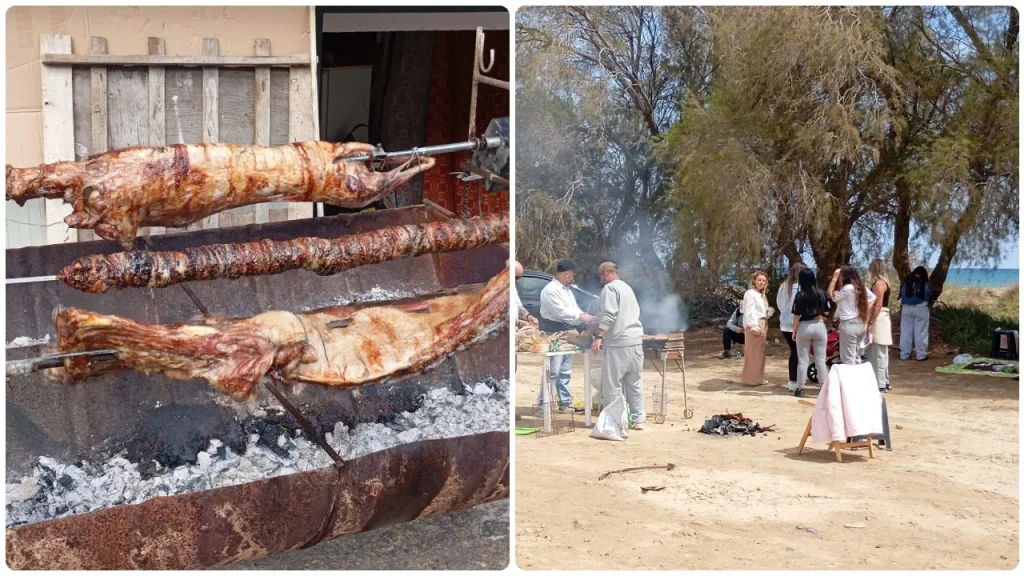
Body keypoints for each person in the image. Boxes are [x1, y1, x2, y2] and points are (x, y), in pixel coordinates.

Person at [590, 261, 646, 430]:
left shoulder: (609, 288)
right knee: (634, 383)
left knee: (613, 384)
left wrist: (599, 336)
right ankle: (638, 420)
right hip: (635, 341)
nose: (600, 280)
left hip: (618, 344)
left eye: (601, 276)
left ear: (606, 273)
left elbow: (609, 314)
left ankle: (614, 421)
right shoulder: (627, 288)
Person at [539, 259, 596, 413]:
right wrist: (581, 317)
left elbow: (573, 308)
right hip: (554, 333)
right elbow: (561, 313)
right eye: (572, 274)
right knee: (553, 371)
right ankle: (543, 406)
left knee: (565, 371)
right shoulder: (550, 290)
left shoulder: (567, 290)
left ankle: (564, 403)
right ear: (566, 273)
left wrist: (583, 316)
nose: (573, 277)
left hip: (568, 333)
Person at [791, 268, 832, 397]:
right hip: (819, 326)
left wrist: (794, 330)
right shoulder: (821, 293)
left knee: (803, 359)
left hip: (804, 326)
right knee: (820, 359)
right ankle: (823, 387)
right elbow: (827, 312)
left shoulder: (800, 294)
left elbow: (797, 315)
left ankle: (800, 388)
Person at [828, 265, 876, 365]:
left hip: (848, 324)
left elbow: (830, 295)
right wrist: (864, 310)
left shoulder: (847, 288)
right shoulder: (860, 287)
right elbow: (873, 297)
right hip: (860, 323)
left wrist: (834, 278)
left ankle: (850, 379)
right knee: (857, 355)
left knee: (848, 357)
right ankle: (857, 378)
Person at [777, 262, 806, 392]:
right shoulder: (801, 287)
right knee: (798, 353)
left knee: (794, 351)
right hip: (797, 323)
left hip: (784, 324)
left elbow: (779, 304)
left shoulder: (783, 286)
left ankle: (793, 380)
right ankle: (796, 380)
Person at [741, 270, 772, 385]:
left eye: (764, 280)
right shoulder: (750, 293)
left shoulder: (761, 295)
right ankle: (751, 379)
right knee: (753, 353)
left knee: (759, 353)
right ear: (754, 281)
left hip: (762, 323)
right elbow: (749, 310)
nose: (761, 282)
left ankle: (757, 378)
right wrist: (753, 325)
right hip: (755, 324)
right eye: (759, 280)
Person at [867, 259, 893, 391]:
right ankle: (885, 381)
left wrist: (871, 321)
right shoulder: (885, 283)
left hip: (879, 317)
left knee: (878, 352)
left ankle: (880, 383)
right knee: (881, 353)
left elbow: (878, 304)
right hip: (882, 316)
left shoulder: (879, 284)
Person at [899, 266, 931, 361]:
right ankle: (921, 355)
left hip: (906, 308)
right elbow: (927, 295)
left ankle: (904, 354)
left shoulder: (907, 280)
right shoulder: (924, 281)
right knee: (921, 332)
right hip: (921, 308)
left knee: (905, 331)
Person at [512, 260, 538, 326]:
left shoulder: (513, 289)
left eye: (520, 277)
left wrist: (528, 317)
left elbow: (519, 307)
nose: (518, 281)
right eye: (516, 277)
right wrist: (521, 323)